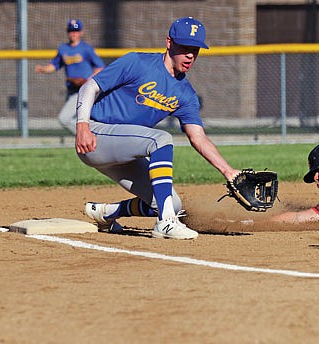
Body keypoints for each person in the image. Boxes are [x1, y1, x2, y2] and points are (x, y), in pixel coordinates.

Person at [76, 17, 240, 240]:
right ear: (169, 42)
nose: (190, 55)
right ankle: (165, 223)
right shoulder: (137, 63)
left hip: (127, 150)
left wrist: (229, 171)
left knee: (172, 203)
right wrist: (83, 126)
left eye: (195, 49)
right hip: (96, 136)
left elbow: (198, 137)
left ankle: (106, 213)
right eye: (185, 47)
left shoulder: (186, 94)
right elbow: (90, 86)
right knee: (160, 139)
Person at [35, 19, 105, 134]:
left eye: (76, 31)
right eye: (71, 31)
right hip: (71, 90)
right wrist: (43, 69)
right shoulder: (63, 49)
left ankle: (91, 137)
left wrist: (88, 80)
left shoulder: (86, 49)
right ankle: (88, 141)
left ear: (81, 32)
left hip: (83, 90)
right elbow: (54, 65)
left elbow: (100, 67)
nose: (73, 33)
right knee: (79, 120)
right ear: (68, 32)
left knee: (64, 119)